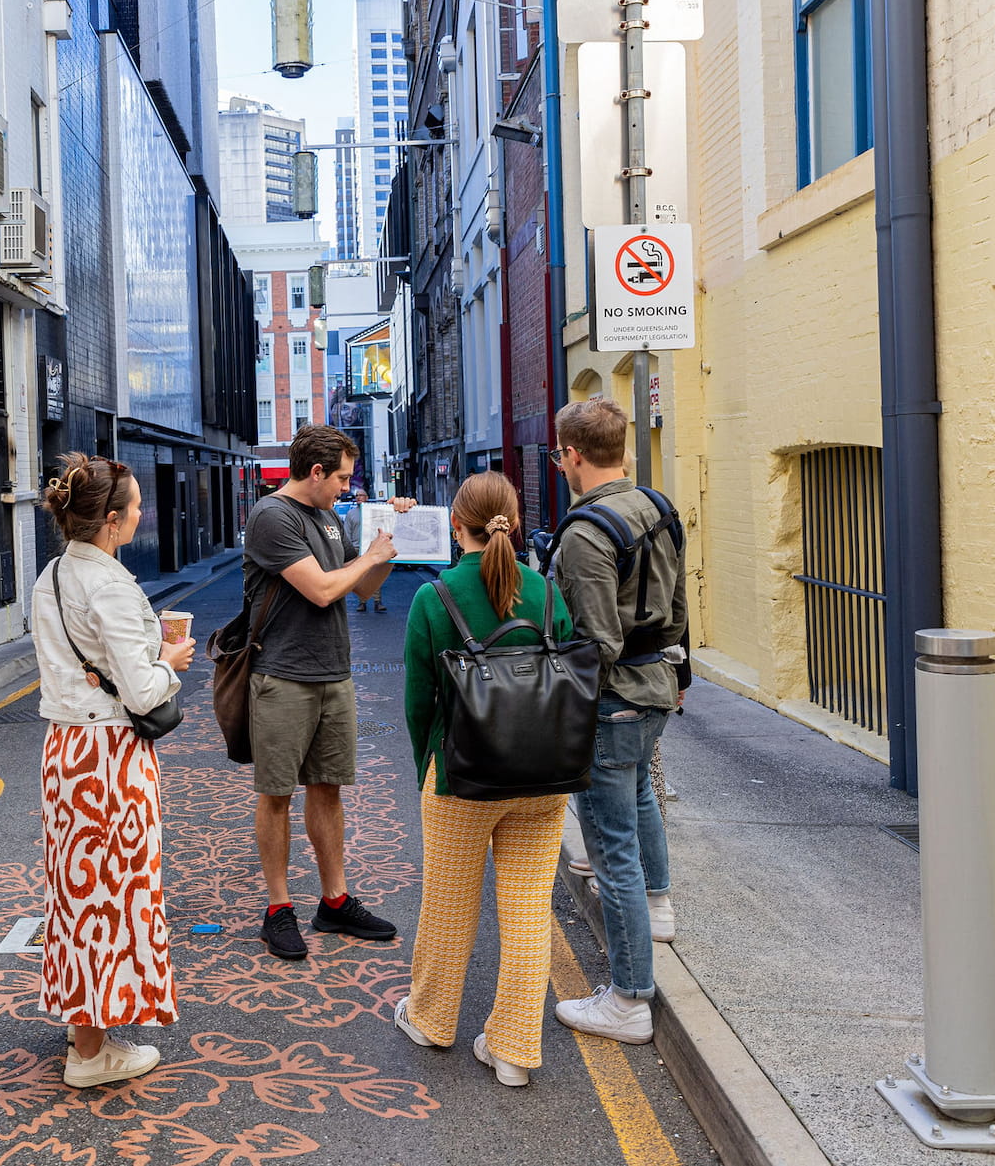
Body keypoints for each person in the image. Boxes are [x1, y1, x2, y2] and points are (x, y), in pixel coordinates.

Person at [394, 472, 576, 1087]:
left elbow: (420, 703)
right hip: (543, 775)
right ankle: (514, 1050)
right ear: (515, 522)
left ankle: (430, 1019)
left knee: (449, 903)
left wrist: (430, 768)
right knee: (527, 907)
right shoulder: (547, 593)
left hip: (462, 777)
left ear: (456, 525)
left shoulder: (434, 598)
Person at [30, 451, 196, 1088]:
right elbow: (145, 693)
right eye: (133, 506)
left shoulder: (52, 575)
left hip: (65, 750)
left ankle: (84, 1029)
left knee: (77, 895)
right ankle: (92, 1054)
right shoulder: (111, 585)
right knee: (116, 896)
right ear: (112, 522)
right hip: (109, 757)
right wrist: (172, 658)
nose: (140, 513)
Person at [242, 423, 414, 960]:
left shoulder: (328, 516)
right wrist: (367, 555)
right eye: (340, 477)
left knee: (329, 788)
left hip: (332, 674)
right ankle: (278, 909)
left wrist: (388, 542)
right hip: (284, 676)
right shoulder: (272, 517)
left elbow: (361, 587)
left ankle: (334, 901)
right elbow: (320, 590)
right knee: (276, 795)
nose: (346, 487)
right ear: (315, 472)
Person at [549, 398, 688, 1045]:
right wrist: (678, 675)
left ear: (574, 455)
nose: (560, 465)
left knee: (611, 850)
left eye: (559, 455)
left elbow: (597, 643)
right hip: (658, 684)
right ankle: (658, 907)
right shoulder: (657, 507)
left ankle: (629, 999)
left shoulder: (584, 533)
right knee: (638, 798)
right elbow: (679, 602)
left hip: (613, 699)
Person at [349, 490, 388, 614]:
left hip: (372, 547)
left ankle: (378, 602)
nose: (359, 498)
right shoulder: (351, 514)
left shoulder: (374, 513)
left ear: (367, 497)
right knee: (361, 575)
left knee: (375, 574)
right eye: (357, 496)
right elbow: (347, 532)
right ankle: (362, 602)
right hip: (357, 548)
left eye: (361, 495)